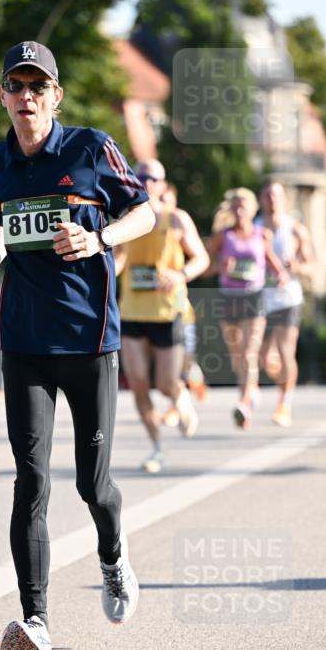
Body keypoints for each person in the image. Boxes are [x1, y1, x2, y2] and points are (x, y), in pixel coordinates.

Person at [0, 40, 155, 650]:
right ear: (3, 97)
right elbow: (0, 226)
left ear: (55, 96)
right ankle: (36, 622)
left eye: (38, 86)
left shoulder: (92, 148)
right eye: (16, 86)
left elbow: (144, 214)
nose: (27, 96)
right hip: (24, 341)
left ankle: (113, 554)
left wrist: (96, 237)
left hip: (90, 339)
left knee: (91, 485)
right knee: (31, 480)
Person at [116, 159, 209, 474]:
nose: (145, 181)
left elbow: (202, 258)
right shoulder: (124, 218)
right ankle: (156, 446)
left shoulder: (176, 220)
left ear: (162, 183)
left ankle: (180, 397)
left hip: (168, 311)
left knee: (166, 383)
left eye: (151, 177)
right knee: (139, 383)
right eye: (139, 176)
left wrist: (180, 274)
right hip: (131, 311)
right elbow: (117, 260)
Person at [209, 188, 288, 429]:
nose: (240, 210)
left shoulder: (262, 234)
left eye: (244, 206)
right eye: (235, 206)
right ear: (231, 209)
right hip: (228, 298)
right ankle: (250, 394)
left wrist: (281, 274)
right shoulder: (223, 236)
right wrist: (222, 265)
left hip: (253, 297)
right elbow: (207, 264)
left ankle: (244, 404)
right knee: (237, 356)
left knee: (248, 354)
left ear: (253, 209)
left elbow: (271, 259)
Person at [256, 180, 313, 427]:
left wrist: (295, 266)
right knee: (263, 357)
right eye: (268, 195)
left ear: (284, 200)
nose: (272, 199)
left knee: (286, 351)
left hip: (287, 299)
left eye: (276, 195)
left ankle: (284, 403)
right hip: (259, 300)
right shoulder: (254, 228)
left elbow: (311, 267)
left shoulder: (295, 229)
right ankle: (281, 386)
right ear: (260, 199)